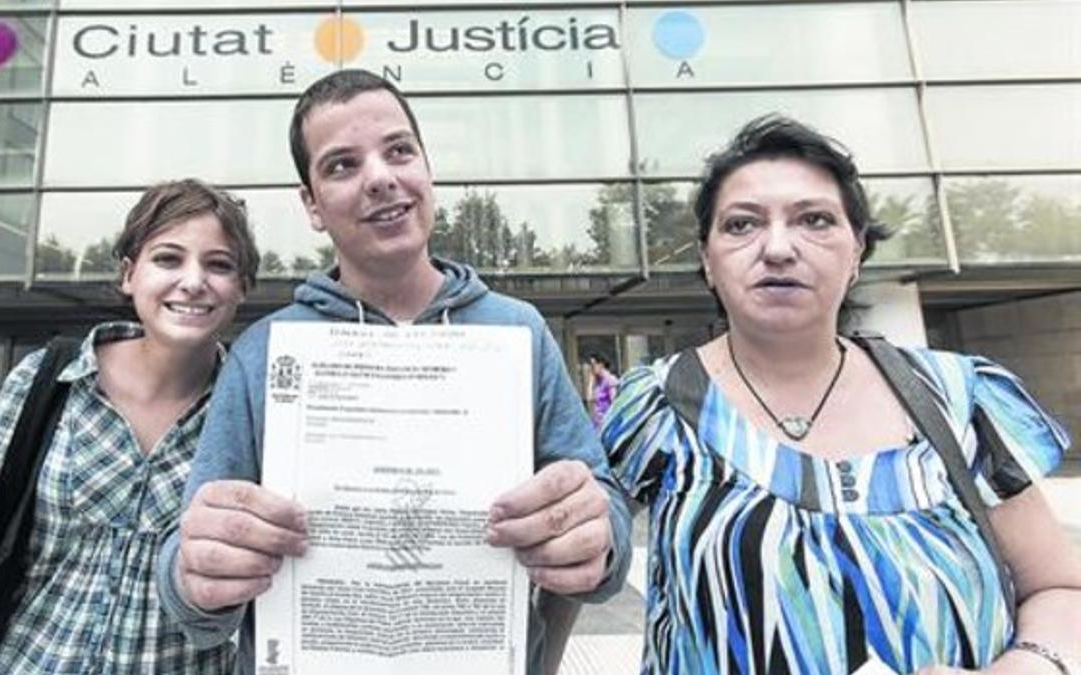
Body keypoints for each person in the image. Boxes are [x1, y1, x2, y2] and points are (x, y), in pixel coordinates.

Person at [155, 69, 632, 675]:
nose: (381, 177)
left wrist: (596, 535)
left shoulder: (520, 332)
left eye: (399, 150)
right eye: (342, 165)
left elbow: (604, 520)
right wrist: (195, 570)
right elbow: (187, 581)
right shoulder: (265, 351)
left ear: (427, 170)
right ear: (312, 205)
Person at [601, 115, 1081, 674]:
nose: (777, 248)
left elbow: (1059, 586)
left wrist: (1029, 666)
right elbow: (582, 548)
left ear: (857, 252)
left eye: (815, 220)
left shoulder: (958, 396)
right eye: (740, 225)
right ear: (707, 260)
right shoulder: (652, 406)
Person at [0, 179, 260, 674]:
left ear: (242, 288)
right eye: (168, 259)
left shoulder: (253, 411)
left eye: (219, 265)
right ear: (129, 274)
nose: (193, 281)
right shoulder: (49, 380)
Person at [585, 352, 618, 429]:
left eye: (593, 365)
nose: (591, 369)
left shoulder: (610, 380)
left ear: (601, 364)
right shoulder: (598, 382)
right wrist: (591, 381)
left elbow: (615, 402)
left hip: (607, 422)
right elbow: (589, 399)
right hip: (598, 423)